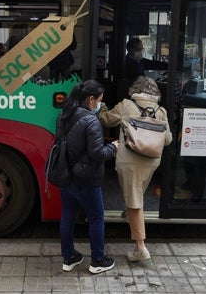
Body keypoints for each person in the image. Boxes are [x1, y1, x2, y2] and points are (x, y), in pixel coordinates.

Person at [98, 76, 172, 262]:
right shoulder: (161, 111)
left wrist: (103, 107)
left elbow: (106, 120)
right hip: (152, 159)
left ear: (134, 89)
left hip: (130, 160)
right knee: (136, 194)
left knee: (135, 201)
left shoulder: (126, 105)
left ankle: (140, 247)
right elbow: (168, 139)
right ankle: (129, 212)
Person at [57, 79, 119, 274]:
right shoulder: (91, 121)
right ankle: (98, 261)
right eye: (100, 100)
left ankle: (69, 258)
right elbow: (97, 154)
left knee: (67, 215)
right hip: (86, 178)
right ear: (91, 99)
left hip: (65, 174)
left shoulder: (64, 115)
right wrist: (113, 147)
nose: (100, 104)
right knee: (96, 219)